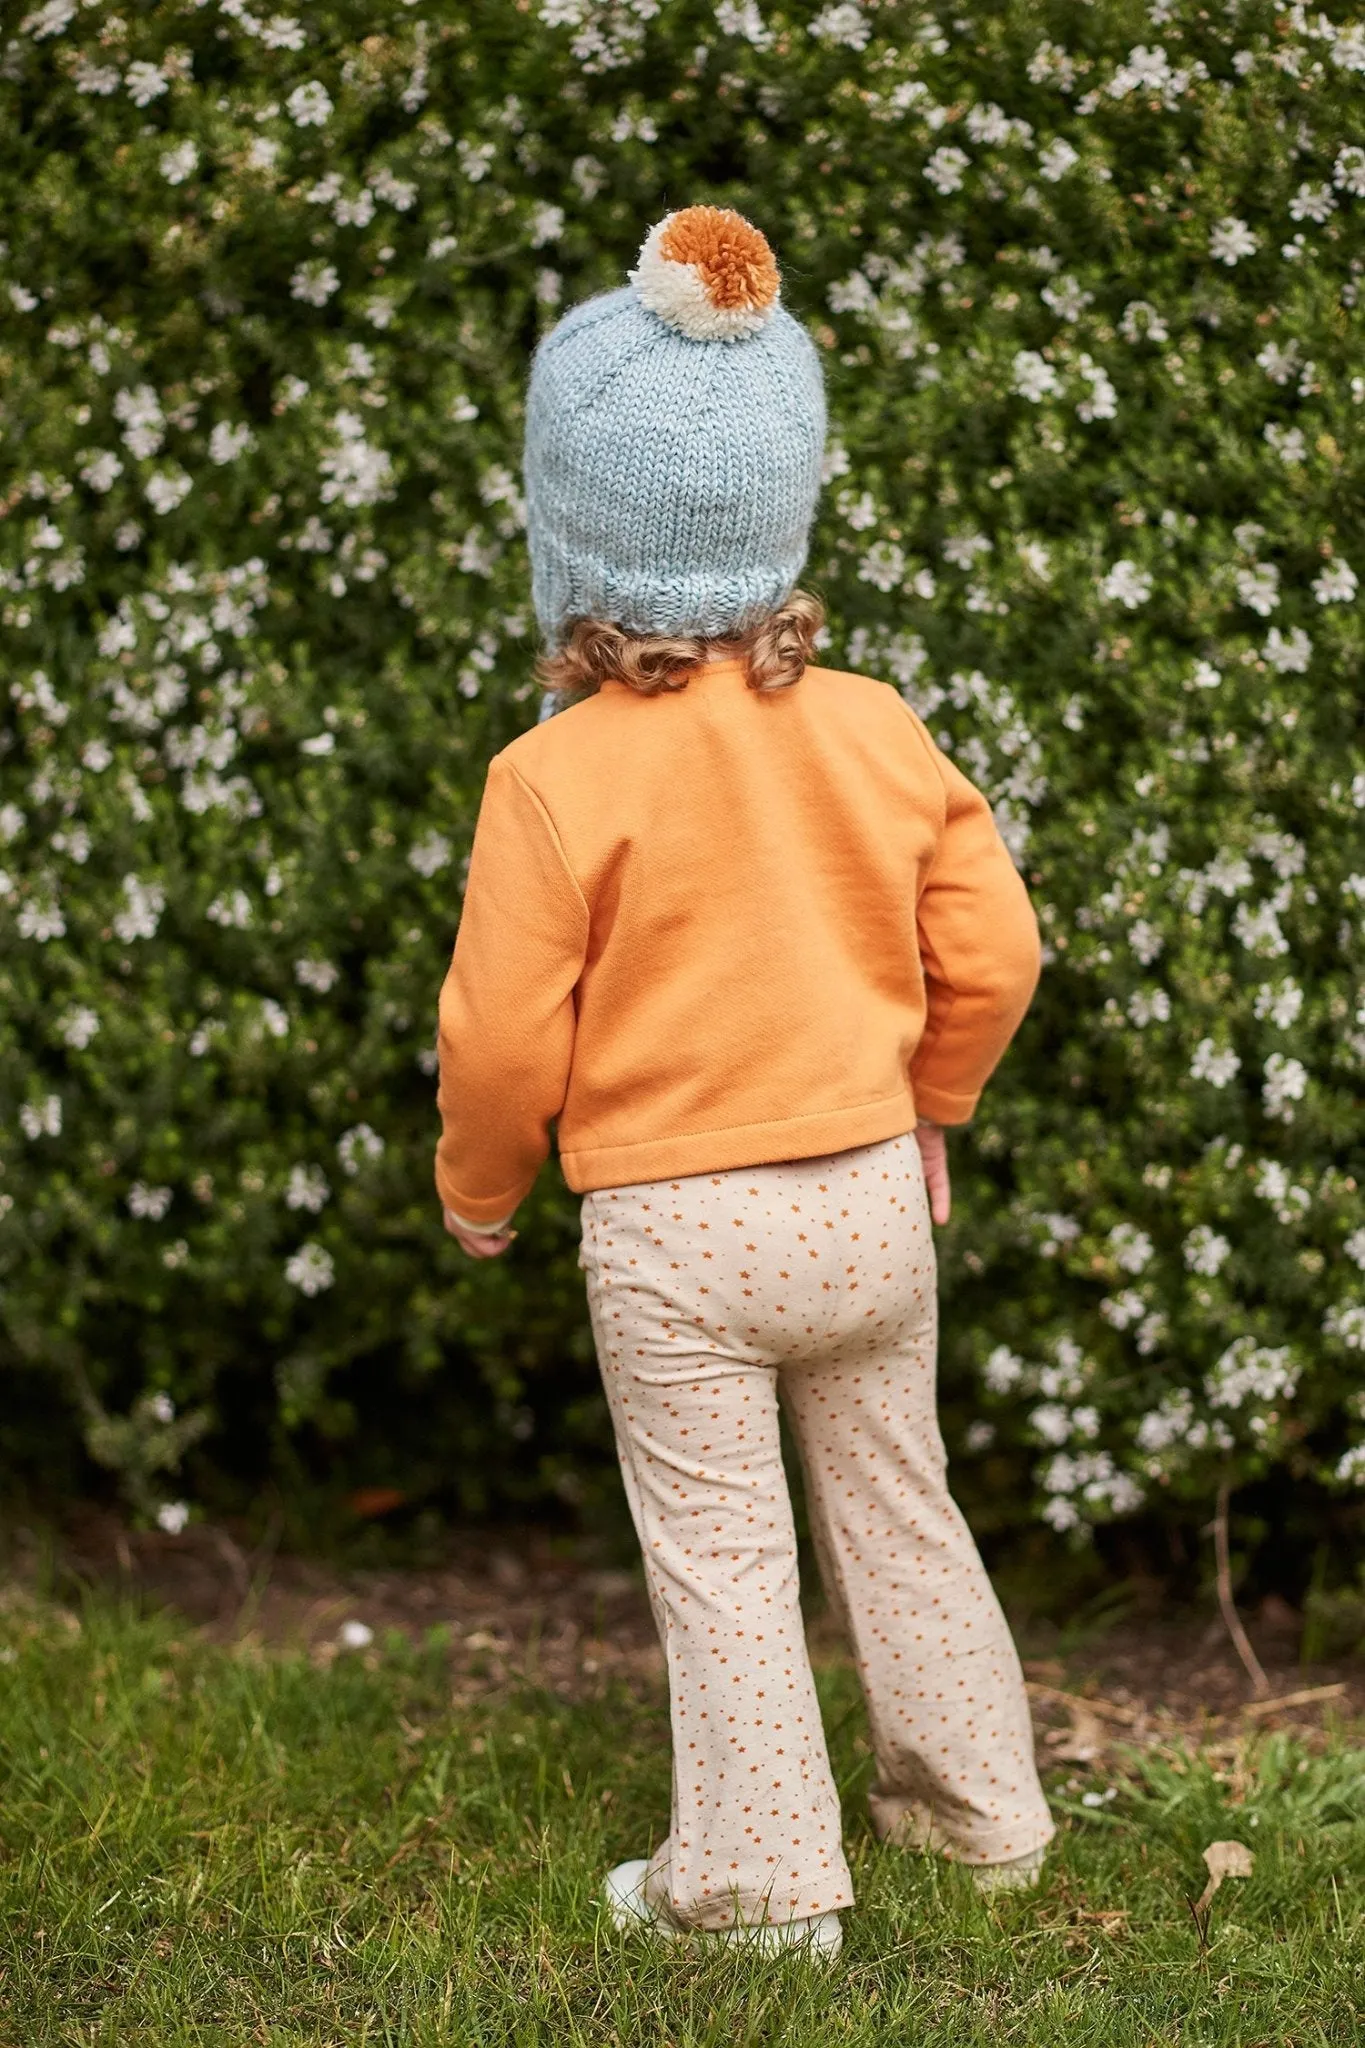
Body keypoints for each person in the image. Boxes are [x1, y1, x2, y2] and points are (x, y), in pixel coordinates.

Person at [432, 204, 1055, 1962]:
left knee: (723, 1559)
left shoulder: (556, 778)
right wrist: (935, 1102)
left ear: (574, 537)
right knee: (898, 1498)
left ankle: (764, 1883)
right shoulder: (874, 723)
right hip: (866, 1197)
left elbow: (497, 1039)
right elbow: (995, 953)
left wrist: (482, 1188)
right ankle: (981, 1814)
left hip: (679, 1236)